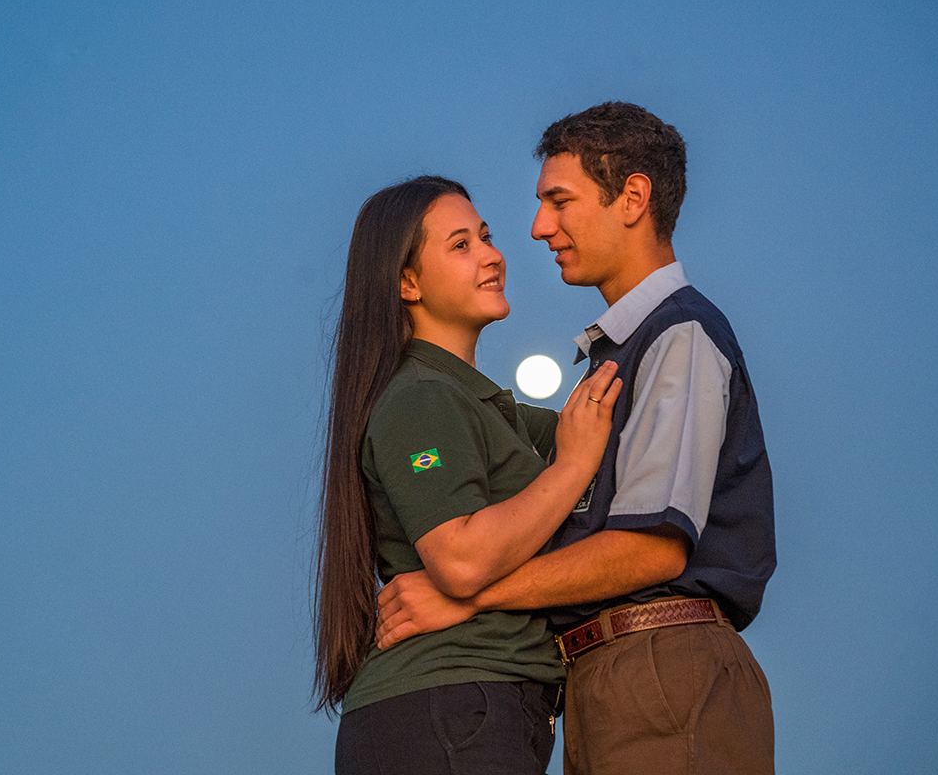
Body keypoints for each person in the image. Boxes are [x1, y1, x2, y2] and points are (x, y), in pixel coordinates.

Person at [376, 103, 777, 775]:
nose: (538, 229)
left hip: (662, 666)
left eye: (559, 201)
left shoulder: (680, 338)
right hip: (608, 677)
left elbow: (650, 550)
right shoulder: (619, 356)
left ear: (633, 198)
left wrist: (466, 595)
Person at [314, 175, 623, 775]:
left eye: (486, 236)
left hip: (473, 710)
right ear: (407, 282)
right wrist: (574, 466)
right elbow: (458, 559)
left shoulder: (483, 409)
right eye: (460, 245)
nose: (492, 255)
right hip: (446, 709)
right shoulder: (420, 401)